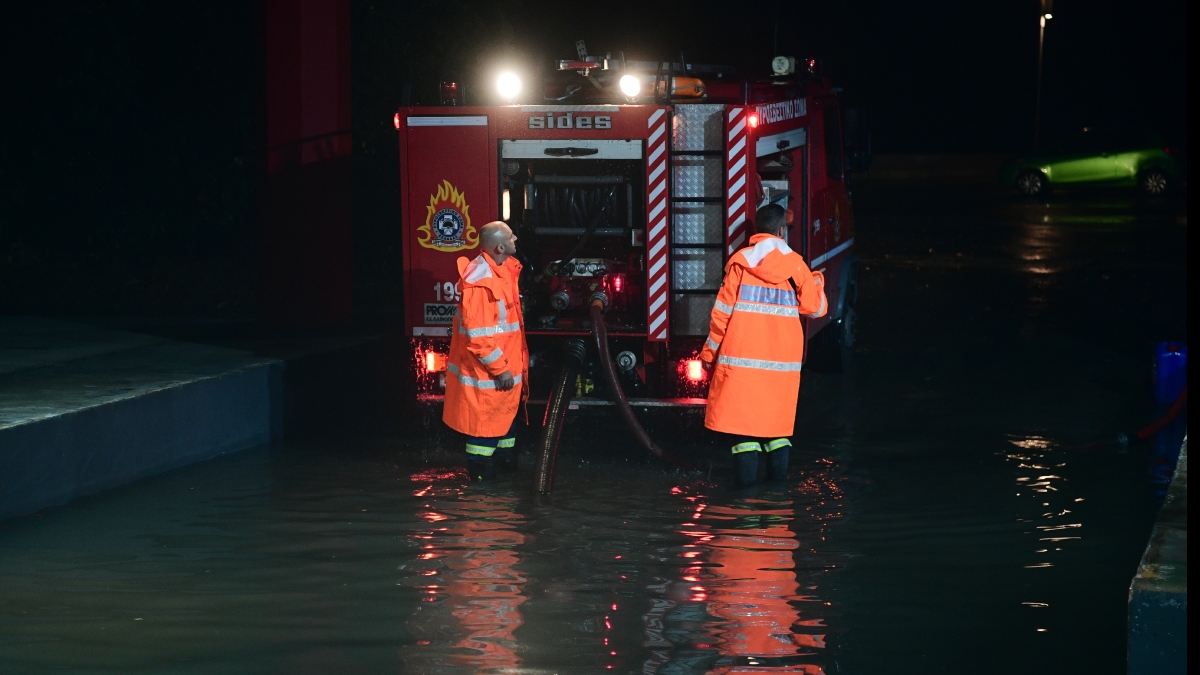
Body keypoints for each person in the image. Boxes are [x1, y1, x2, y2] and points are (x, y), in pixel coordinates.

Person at [699, 204, 827, 486]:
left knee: (744, 433)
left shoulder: (740, 263)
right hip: (781, 367)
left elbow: (721, 314)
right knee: (777, 429)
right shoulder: (797, 265)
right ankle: (776, 502)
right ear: (782, 230)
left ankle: (745, 504)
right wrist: (817, 281)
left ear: (758, 230)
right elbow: (815, 310)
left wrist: (708, 353)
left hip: (742, 363)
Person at [443, 221, 528, 481]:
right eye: (512, 236)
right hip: (489, 377)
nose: (516, 239)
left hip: (502, 377)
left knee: (502, 429)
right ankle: (481, 493)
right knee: (483, 436)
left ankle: (503, 480)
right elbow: (478, 338)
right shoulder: (482, 284)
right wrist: (501, 370)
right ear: (500, 247)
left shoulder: (501, 270)